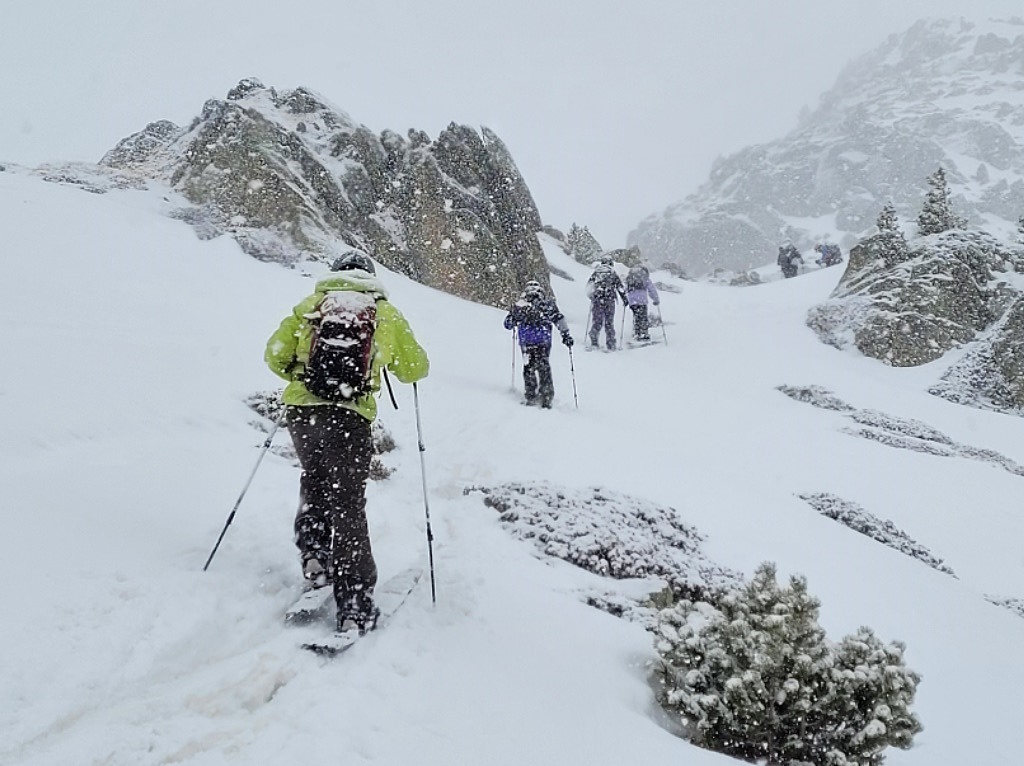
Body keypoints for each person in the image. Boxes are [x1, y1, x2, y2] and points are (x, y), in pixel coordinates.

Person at [265, 250, 429, 635]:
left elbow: (274, 355)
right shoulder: (385, 312)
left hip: (304, 414)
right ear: (370, 276)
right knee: (348, 504)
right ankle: (354, 605)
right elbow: (415, 368)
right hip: (349, 418)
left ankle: (315, 555)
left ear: (335, 273)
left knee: (315, 480)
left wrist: (300, 373)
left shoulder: (313, 304)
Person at [503, 280, 573, 408]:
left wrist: (515, 318)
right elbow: (558, 318)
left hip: (526, 341)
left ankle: (530, 396)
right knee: (544, 366)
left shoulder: (520, 305)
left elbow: (507, 324)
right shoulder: (547, 304)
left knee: (528, 367)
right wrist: (565, 335)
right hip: (544, 340)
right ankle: (546, 397)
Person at [586, 255, 628, 350]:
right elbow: (619, 287)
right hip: (609, 300)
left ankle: (594, 340)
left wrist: (592, 296)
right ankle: (611, 343)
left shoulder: (596, 272)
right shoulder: (612, 272)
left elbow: (588, 286)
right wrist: (624, 299)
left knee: (597, 321)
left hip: (597, 300)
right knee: (609, 322)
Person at [624, 263, 660, 342]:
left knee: (636, 316)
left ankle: (637, 333)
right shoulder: (644, 277)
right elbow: (651, 289)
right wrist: (656, 299)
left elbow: (625, 288)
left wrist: (625, 299)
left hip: (632, 301)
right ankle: (644, 334)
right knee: (643, 317)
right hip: (642, 300)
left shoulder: (630, 276)